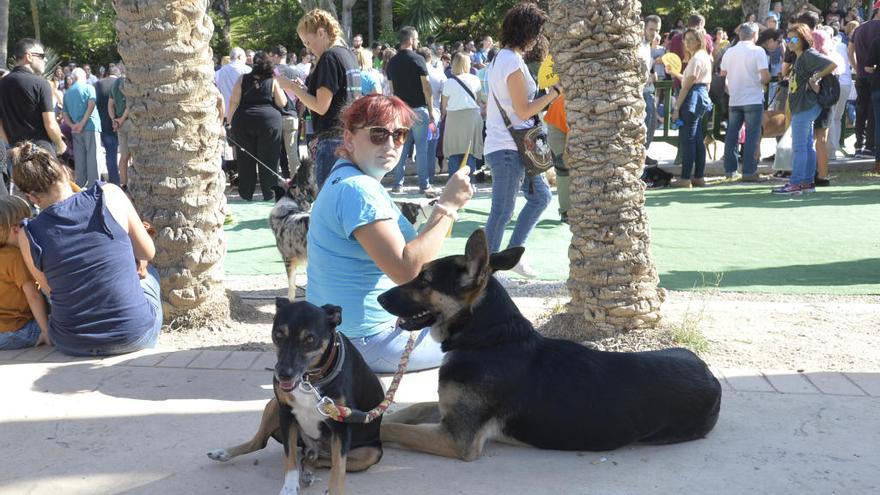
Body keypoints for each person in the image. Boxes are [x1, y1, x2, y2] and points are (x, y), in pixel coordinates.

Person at [306, 94, 473, 373]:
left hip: (342, 338)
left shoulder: (347, 177)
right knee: (493, 336)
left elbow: (411, 252)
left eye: (399, 135)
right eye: (378, 134)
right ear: (349, 139)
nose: (390, 144)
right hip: (366, 342)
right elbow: (406, 270)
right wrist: (448, 207)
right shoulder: (359, 190)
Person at [10, 142, 162, 356]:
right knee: (150, 273)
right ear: (64, 171)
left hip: (72, 343)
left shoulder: (29, 234)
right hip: (135, 334)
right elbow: (148, 252)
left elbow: (50, 288)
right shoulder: (109, 194)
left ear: (31, 197)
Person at [484, 2, 560, 277]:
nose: (538, 39)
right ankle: (488, 271)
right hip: (508, 147)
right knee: (503, 211)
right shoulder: (511, 61)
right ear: (527, 32)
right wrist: (553, 93)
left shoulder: (502, 58)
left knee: (539, 197)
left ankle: (511, 256)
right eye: (537, 32)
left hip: (511, 145)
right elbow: (524, 110)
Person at [276, 9, 362, 189]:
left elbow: (321, 107)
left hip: (332, 141)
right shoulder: (348, 55)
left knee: (329, 201)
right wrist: (304, 90)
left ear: (321, 33)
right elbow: (339, 96)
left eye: (308, 42)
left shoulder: (329, 57)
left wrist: (291, 87)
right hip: (351, 137)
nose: (308, 48)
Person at [773, 24, 836, 195]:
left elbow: (831, 64)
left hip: (806, 106)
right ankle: (807, 182)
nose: (790, 42)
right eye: (788, 39)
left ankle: (796, 183)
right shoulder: (799, 57)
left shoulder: (808, 55)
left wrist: (815, 77)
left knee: (799, 147)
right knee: (807, 145)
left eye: (794, 39)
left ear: (803, 39)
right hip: (803, 106)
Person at [228, 51, 287, 201]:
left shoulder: (243, 79)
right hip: (269, 122)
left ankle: (246, 193)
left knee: (245, 159)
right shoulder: (272, 80)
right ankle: (269, 193)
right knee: (269, 158)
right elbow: (282, 102)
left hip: (243, 121)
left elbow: (234, 101)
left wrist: (229, 121)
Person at [386, 26, 437, 196]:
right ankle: (424, 185)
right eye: (416, 39)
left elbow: (392, 90)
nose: (418, 41)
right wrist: (431, 111)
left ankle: (397, 183)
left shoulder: (392, 62)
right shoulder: (418, 59)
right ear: (410, 40)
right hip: (418, 110)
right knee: (421, 149)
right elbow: (427, 87)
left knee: (400, 147)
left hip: (400, 112)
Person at [720, 22, 770, 181]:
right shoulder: (758, 51)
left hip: (735, 98)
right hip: (753, 98)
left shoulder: (729, 51)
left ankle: (730, 170)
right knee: (752, 135)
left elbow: (723, 75)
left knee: (732, 134)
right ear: (755, 35)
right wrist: (762, 83)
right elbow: (765, 76)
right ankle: (749, 172)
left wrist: (729, 88)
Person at [0, 39, 67, 156]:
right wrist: (61, 145)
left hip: (16, 154)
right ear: (29, 56)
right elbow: (50, 124)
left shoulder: (2, 83)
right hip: (41, 154)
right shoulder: (41, 84)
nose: (45, 59)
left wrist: (10, 148)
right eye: (42, 56)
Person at [0, 195, 50, 350]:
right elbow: (33, 296)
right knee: (60, 322)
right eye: (27, 224)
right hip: (17, 330)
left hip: (3, 330)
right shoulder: (15, 258)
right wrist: (46, 331)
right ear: (15, 229)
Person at [671, 28, 713, 188]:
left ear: (699, 41)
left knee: (688, 139)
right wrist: (675, 73)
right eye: (685, 39)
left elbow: (687, 86)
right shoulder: (704, 57)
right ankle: (698, 176)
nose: (686, 42)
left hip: (692, 97)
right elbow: (694, 80)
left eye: (690, 39)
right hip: (700, 95)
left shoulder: (696, 59)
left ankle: (686, 177)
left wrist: (676, 109)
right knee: (696, 139)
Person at [440, 52, 483, 178]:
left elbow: (444, 105)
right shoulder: (475, 79)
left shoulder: (449, 82)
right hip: (472, 117)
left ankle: (453, 182)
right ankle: (470, 181)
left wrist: (443, 117)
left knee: (454, 151)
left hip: (453, 118)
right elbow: (478, 100)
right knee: (470, 151)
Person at [848, 3, 880, 157]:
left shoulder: (859, 28)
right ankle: (869, 147)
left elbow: (850, 50)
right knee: (874, 112)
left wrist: (857, 67)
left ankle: (858, 145)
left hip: (861, 75)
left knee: (861, 111)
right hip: (875, 77)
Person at [63, 68, 103, 187]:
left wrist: (73, 125)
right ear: (83, 76)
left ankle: (79, 184)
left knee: (80, 157)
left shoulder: (68, 92)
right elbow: (91, 105)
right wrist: (83, 123)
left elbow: (64, 114)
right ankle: (94, 184)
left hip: (75, 129)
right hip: (90, 126)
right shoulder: (89, 88)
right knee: (93, 156)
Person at [269, 45, 302, 178]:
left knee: (275, 153)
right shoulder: (295, 72)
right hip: (291, 114)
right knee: (293, 154)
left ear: (277, 56)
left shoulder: (271, 73)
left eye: (272, 56)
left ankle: (277, 181)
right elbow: (301, 97)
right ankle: (297, 181)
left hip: (275, 115)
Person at [94, 66, 121, 185]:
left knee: (110, 154)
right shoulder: (121, 83)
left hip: (103, 123)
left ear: (107, 73)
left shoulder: (97, 84)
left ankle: (114, 179)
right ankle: (124, 178)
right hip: (121, 122)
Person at [642, 15, 662, 165]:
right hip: (640, 91)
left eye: (657, 30)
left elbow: (649, 67)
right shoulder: (637, 45)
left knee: (651, 123)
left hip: (648, 90)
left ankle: (643, 152)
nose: (654, 33)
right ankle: (641, 153)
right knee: (647, 122)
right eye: (651, 29)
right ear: (643, 27)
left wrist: (652, 73)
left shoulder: (648, 46)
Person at [108, 74, 131, 188]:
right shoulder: (130, 81)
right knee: (134, 155)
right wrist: (121, 120)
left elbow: (110, 105)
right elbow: (130, 104)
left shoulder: (115, 84)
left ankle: (124, 184)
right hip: (130, 122)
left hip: (119, 124)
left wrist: (114, 120)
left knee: (124, 156)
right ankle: (131, 182)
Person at [215, 47, 252, 116]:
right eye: (245, 57)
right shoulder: (247, 70)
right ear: (240, 56)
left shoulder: (220, 71)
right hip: (243, 110)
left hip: (225, 110)